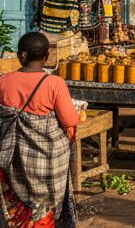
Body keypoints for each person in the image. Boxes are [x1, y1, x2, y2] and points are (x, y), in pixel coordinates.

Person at [0, 32, 79, 228]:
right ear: (46, 57)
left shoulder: (3, 81)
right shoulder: (54, 83)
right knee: (41, 213)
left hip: (11, 160)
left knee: (15, 212)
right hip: (46, 163)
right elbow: (70, 120)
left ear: (21, 56)